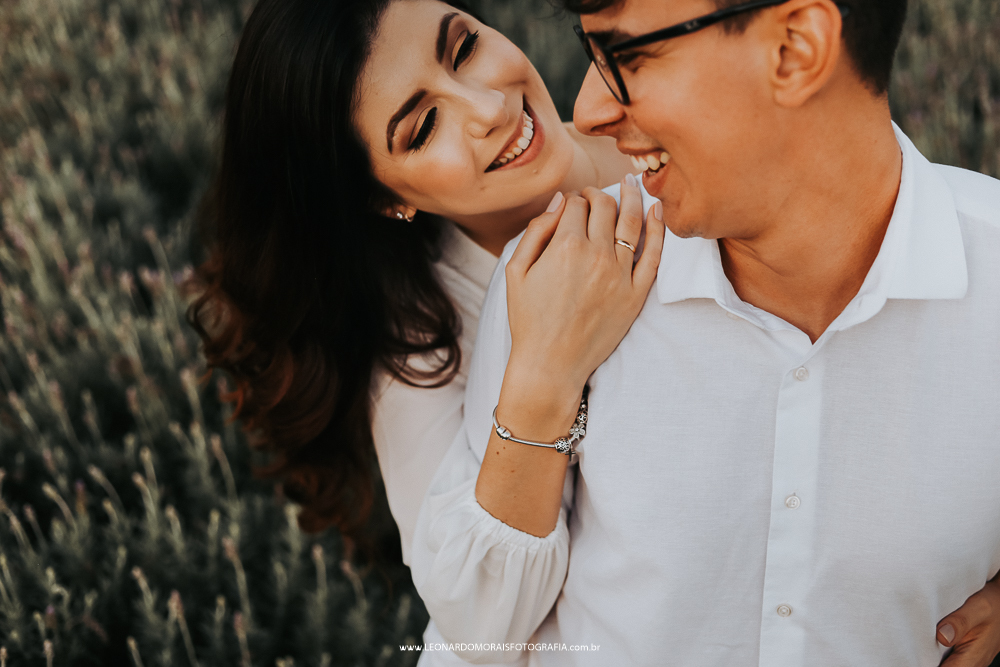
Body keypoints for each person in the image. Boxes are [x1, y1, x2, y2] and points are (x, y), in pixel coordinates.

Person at [409, 0, 1000, 665]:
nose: (592, 109)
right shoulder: (563, 280)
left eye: (627, 57)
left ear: (796, 48)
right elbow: (472, 640)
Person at [186, 0, 649, 664]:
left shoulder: (663, 136)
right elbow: (477, 619)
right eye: (425, 125)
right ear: (385, 197)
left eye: (463, 49)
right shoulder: (420, 336)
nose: (488, 108)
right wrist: (545, 374)